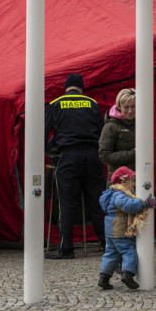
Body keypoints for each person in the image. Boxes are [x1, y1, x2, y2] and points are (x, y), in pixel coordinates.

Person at [44, 73, 107, 259]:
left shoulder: (55, 104)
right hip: (93, 156)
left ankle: (66, 249)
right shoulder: (92, 104)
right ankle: (106, 245)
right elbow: (102, 132)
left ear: (66, 88)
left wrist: (51, 155)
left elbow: (43, 133)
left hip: (68, 157)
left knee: (67, 204)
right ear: (82, 88)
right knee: (97, 204)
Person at [98, 167, 156, 290]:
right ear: (123, 182)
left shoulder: (111, 194)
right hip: (120, 230)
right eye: (132, 181)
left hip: (110, 231)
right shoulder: (119, 194)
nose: (135, 184)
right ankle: (127, 274)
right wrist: (145, 203)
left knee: (111, 254)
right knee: (128, 251)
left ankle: (104, 277)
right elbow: (129, 205)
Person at [99, 88, 135, 182]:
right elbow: (104, 156)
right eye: (126, 107)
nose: (130, 111)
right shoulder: (111, 126)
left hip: (140, 179)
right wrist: (133, 153)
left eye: (133, 106)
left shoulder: (141, 124)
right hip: (119, 182)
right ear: (119, 107)